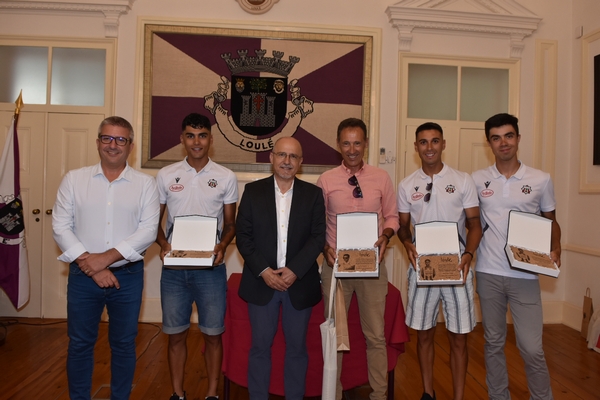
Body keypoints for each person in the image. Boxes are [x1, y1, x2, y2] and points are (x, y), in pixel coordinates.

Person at [52, 116, 160, 400]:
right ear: (98, 142)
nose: (113, 145)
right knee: (80, 344)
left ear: (130, 145)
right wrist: (92, 265)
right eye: (107, 138)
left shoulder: (146, 184)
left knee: (124, 344)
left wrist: (105, 259)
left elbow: (148, 231)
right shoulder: (74, 179)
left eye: (121, 139)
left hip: (128, 278)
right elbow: (60, 226)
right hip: (83, 277)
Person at [472, 113, 561, 400]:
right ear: (489, 143)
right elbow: (470, 223)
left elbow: (551, 220)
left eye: (509, 136)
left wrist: (556, 247)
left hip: (525, 274)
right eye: (496, 138)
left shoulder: (540, 179)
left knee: (532, 348)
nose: (503, 143)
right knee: (493, 342)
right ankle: (498, 396)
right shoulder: (477, 180)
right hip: (488, 271)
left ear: (518, 138)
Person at [155, 113, 238, 400]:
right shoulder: (166, 175)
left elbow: (231, 224)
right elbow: (154, 221)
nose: (196, 141)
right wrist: (163, 244)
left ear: (211, 139)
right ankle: (177, 393)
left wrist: (222, 245)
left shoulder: (225, 177)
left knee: (213, 335)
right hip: (174, 272)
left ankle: (212, 394)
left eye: (202, 135)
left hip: (210, 270)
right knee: (176, 335)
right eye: (190, 135)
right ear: (182, 139)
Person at [236, 137, 325, 400]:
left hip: (299, 284)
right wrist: (264, 270)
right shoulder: (253, 192)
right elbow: (243, 236)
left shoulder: (313, 195)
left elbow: (318, 237)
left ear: (301, 162)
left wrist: (294, 270)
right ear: (271, 157)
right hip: (261, 283)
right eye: (282, 155)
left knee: (297, 349)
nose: (287, 161)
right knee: (260, 348)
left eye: (293, 156)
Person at [397, 122, 482, 400]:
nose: (429, 147)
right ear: (416, 147)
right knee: (423, 334)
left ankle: (458, 397)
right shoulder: (406, 185)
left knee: (459, 337)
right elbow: (402, 227)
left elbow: (474, 224)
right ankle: (428, 393)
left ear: (443, 144)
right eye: (423, 142)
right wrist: (407, 243)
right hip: (423, 269)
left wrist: (468, 254)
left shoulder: (463, 180)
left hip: (457, 267)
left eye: (435, 141)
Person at [317, 117, 399, 400]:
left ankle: (379, 395)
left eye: (357, 143)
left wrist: (386, 236)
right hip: (335, 268)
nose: (352, 150)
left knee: (376, 335)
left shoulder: (381, 177)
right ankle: (334, 395)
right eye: (346, 143)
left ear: (366, 144)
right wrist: (324, 248)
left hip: (371, 267)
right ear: (338, 145)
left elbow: (392, 216)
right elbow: (317, 223)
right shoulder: (326, 180)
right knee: (335, 337)